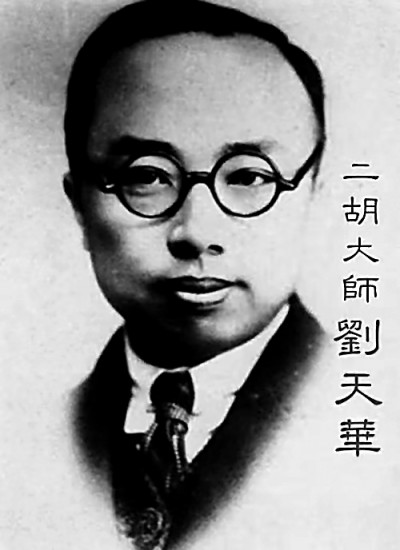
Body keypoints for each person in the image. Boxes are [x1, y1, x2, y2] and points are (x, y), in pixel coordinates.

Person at [63, 0, 326, 547]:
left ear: (313, 198)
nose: (197, 232)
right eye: (147, 177)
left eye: (250, 177)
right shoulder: (35, 438)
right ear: (80, 207)